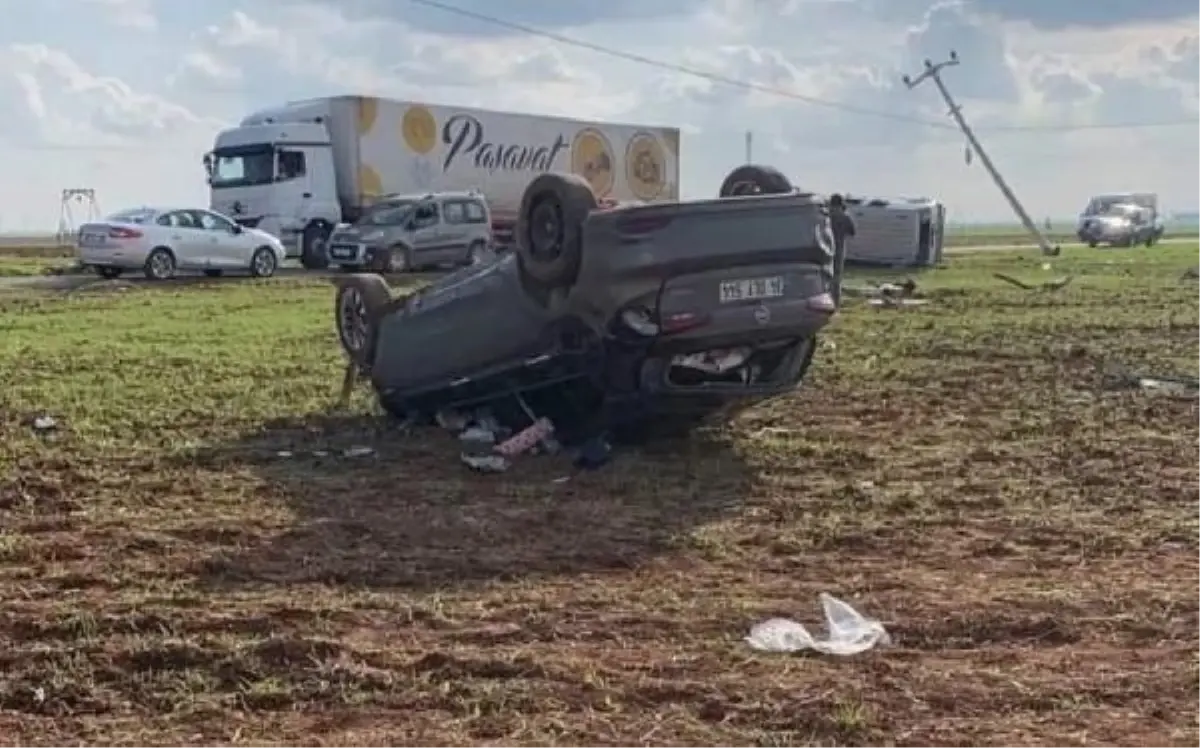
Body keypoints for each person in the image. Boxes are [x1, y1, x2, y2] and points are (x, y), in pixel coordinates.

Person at [827, 193, 856, 305]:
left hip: (825, 250)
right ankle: (836, 302)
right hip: (839, 250)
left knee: (826, 276)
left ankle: (826, 300)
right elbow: (852, 232)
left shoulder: (826, 216)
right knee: (837, 278)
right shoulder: (845, 217)